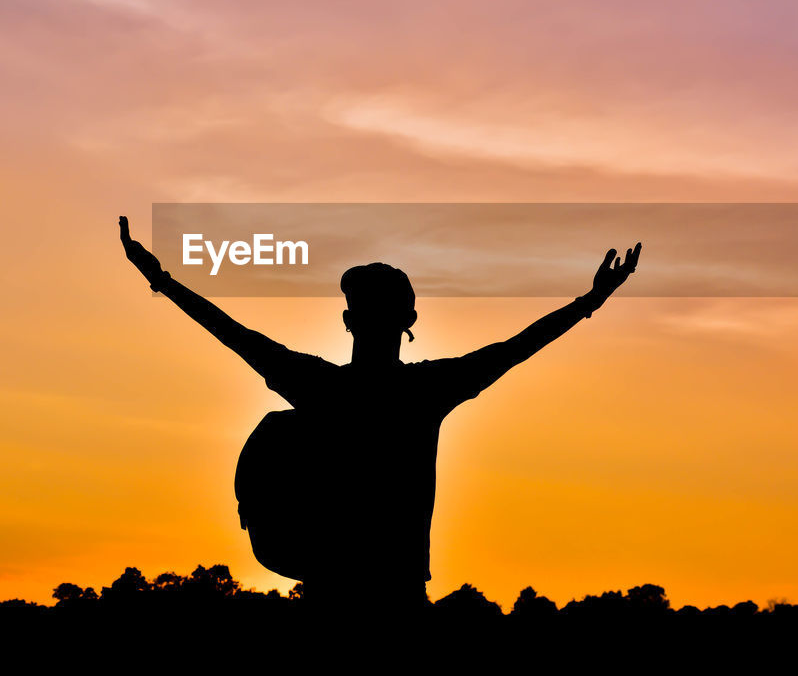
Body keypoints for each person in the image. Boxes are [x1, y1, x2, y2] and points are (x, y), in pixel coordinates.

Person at [117, 215, 640, 616]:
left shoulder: (321, 387)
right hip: (398, 599)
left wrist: (162, 280)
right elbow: (517, 347)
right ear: (410, 319)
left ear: (348, 320)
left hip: (333, 598)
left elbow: (233, 334)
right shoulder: (427, 389)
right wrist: (589, 302)